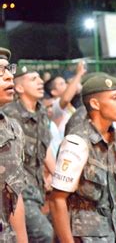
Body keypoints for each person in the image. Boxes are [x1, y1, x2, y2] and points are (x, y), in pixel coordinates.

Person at [49, 74, 116, 242]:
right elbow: (57, 200)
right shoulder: (77, 142)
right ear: (95, 103)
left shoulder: (113, 138)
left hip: (111, 232)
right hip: (85, 236)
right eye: (115, 98)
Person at [2, 64, 55, 242]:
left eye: (9, 70)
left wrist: (56, 176)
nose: (40, 82)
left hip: (34, 189)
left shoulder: (40, 113)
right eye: (33, 79)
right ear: (20, 87)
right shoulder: (12, 114)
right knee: (44, 234)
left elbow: (44, 148)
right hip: (22, 190)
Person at [0, 48, 27, 242]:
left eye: (9, 69)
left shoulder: (12, 128)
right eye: (1, 71)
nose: (10, 76)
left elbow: (14, 195)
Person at [44, 61, 86, 137]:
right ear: (54, 92)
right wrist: (79, 73)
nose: (66, 85)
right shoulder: (54, 105)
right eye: (61, 84)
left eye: (65, 82)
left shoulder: (70, 105)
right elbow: (66, 98)